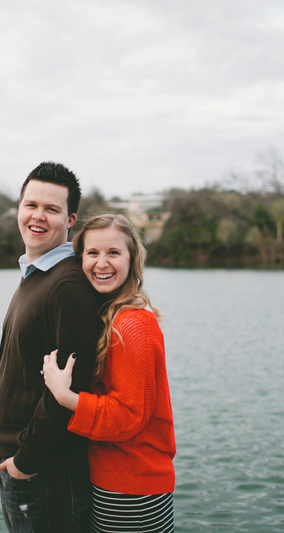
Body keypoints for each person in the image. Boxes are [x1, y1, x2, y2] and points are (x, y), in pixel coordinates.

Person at [42, 214, 176, 533]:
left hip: (132, 489)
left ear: (132, 259)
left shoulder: (131, 324)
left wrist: (66, 397)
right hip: (115, 481)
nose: (102, 263)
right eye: (92, 253)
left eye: (113, 253)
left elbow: (128, 416)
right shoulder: (108, 316)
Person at [0, 161, 101, 532]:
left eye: (52, 209)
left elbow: (73, 388)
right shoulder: (36, 274)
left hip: (47, 471)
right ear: (19, 208)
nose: (38, 216)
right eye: (31, 205)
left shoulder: (66, 286)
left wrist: (26, 459)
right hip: (22, 459)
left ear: (71, 220)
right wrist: (8, 443)